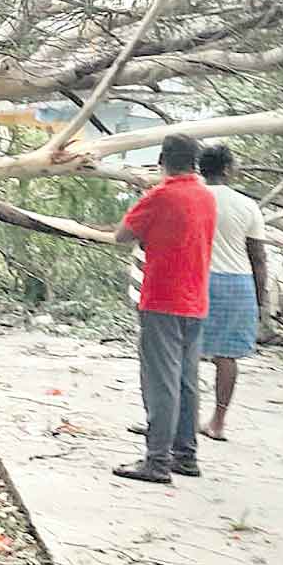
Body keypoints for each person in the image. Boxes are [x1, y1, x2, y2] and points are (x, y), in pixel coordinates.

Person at [113, 134, 217, 483]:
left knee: (161, 382)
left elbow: (122, 234)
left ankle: (156, 460)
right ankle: (185, 454)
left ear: (162, 160)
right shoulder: (206, 196)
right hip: (195, 298)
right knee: (187, 380)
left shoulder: (160, 195)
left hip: (162, 297)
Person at [197, 145, 269, 441]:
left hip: (195, 279)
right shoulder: (246, 205)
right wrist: (261, 299)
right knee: (226, 356)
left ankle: (183, 417)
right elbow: (258, 256)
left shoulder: (193, 198)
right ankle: (218, 421)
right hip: (236, 283)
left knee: (185, 353)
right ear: (227, 169)